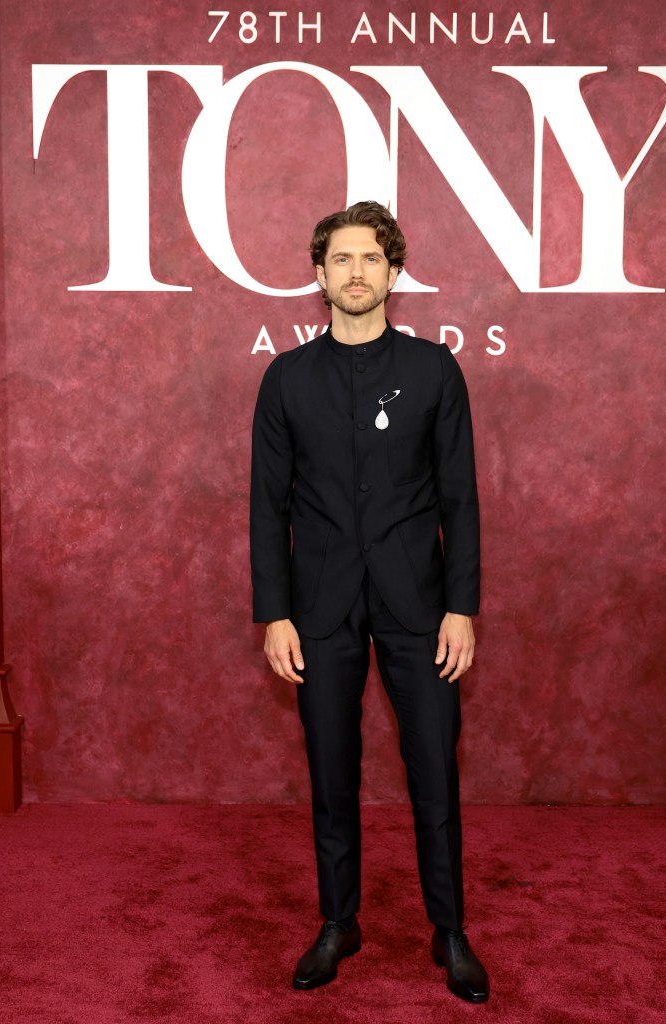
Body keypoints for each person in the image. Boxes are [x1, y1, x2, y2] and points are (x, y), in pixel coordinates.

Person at [249, 200, 489, 1003]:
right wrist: (274, 613)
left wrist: (461, 608)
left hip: (420, 609)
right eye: (340, 259)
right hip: (318, 610)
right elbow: (265, 506)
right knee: (330, 773)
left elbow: (460, 500)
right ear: (318, 276)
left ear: (393, 272)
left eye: (370, 259)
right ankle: (337, 921)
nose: (355, 272)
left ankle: (449, 929)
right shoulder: (284, 379)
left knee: (433, 771)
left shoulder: (433, 372)